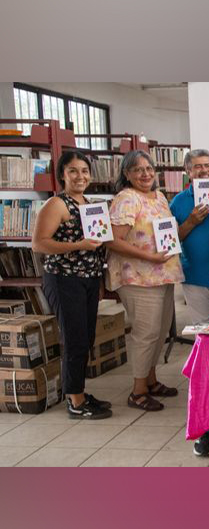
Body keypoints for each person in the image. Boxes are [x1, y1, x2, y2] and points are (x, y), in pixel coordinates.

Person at [32, 151, 112, 420]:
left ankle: (78, 391)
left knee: (86, 337)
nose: (81, 176)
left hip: (88, 278)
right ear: (62, 175)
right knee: (75, 338)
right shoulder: (57, 204)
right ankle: (75, 402)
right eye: (73, 171)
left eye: (85, 171)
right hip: (64, 279)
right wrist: (78, 245)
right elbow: (39, 243)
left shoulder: (90, 203)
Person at [107, 150, 184, 412]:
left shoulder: (159, 197)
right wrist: (148, 256)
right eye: (138, 169)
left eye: (149, 168)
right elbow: (113, 240)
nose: (145, 174)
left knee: (160, 331)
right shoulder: (126, 199)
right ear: (126, 174)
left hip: (162, 275)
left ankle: (151, 380)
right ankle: (138, 390)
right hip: (138, 277)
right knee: (145, 333)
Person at [169, 149, 209, 327]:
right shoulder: (178, 201)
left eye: (207, 165)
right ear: (188, 172)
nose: (204, 170)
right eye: (197, 167)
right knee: (203, 328)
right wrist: (190, 221)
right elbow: (171, 241)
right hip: (195, 277)